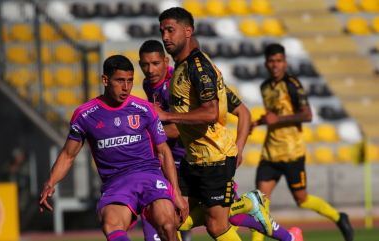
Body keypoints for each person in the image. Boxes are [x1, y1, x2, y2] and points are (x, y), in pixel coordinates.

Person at [140, 39, 303, 241]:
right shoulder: (150, 84)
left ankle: (274, 225)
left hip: (208, 159)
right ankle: (282, 232)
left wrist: (147, 135)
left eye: (155, 64)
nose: (150, 70)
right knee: (176, 217)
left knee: (215, 221)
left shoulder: (193, 79)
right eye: (144, 65)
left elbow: (242, 112)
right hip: (188, 162)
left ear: (166, 62)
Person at [39, 55, 188, 241]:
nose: (125, 87)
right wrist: (50, 183)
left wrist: (177, 193)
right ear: (105, 80)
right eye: (119, 80)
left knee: (167, 224)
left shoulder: (144, 108)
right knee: (111, 224)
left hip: (150, 177)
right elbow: (68, 155)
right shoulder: (85, 115)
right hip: (116, 184)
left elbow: (164, 153)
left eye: (129, 81)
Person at [155, 8, 272, 241]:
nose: (165, 37)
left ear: (187, 31)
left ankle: (249, 203)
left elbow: (210, 113)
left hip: (215, 158)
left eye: (170, 30)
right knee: (173, 220)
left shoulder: (198, 68)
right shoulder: (180, 67)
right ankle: (247, 203)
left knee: (216, 227)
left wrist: (167, 117)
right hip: (193, 158)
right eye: (162, 31)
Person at [250, 43, 354, 241]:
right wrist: (257, 122)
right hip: (270, 153)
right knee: (259, 202)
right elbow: (275, 115)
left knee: (302, 199)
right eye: (271, 61)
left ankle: (339, 217)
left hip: (292, 153)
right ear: (266, 63)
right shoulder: (265, 87)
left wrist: (277, 120)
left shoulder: (292, 85)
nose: (275, 65)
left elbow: (307, 115)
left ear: (285, 63)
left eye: (278, 61)